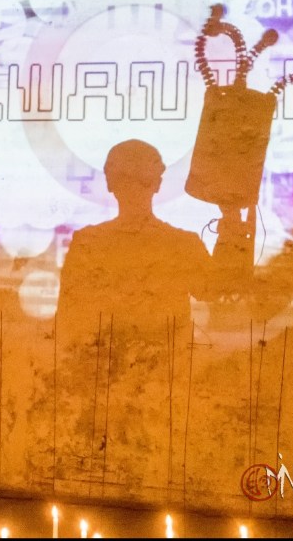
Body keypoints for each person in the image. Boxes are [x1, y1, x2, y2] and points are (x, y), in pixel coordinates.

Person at [57, 138, 253, 490]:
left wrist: (232, 230)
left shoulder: (90, 243)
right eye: (131, 178)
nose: (132, 187)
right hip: (140, 385)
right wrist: (232, 230)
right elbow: (216, 288)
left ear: (110, 182)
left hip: (137, 384)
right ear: (157, 183)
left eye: (133, 178)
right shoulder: (176, 243)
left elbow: (68, 319)